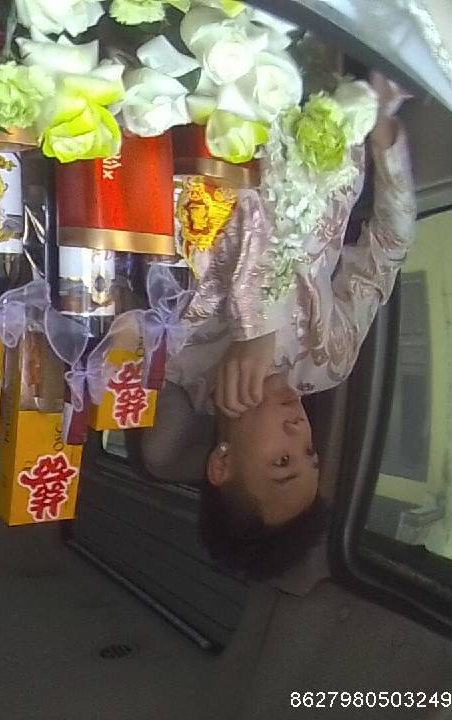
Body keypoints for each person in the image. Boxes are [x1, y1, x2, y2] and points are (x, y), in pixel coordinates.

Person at [135, 72, 416, 579]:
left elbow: (223, 201)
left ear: (222, 465)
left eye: (282, 462)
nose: (299, 431)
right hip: (333, 111)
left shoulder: (169, 349)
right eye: (309, 453)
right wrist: (384, 138)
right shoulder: (328, 362)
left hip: (232, 92)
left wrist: (255, 327)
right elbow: (388, 252)